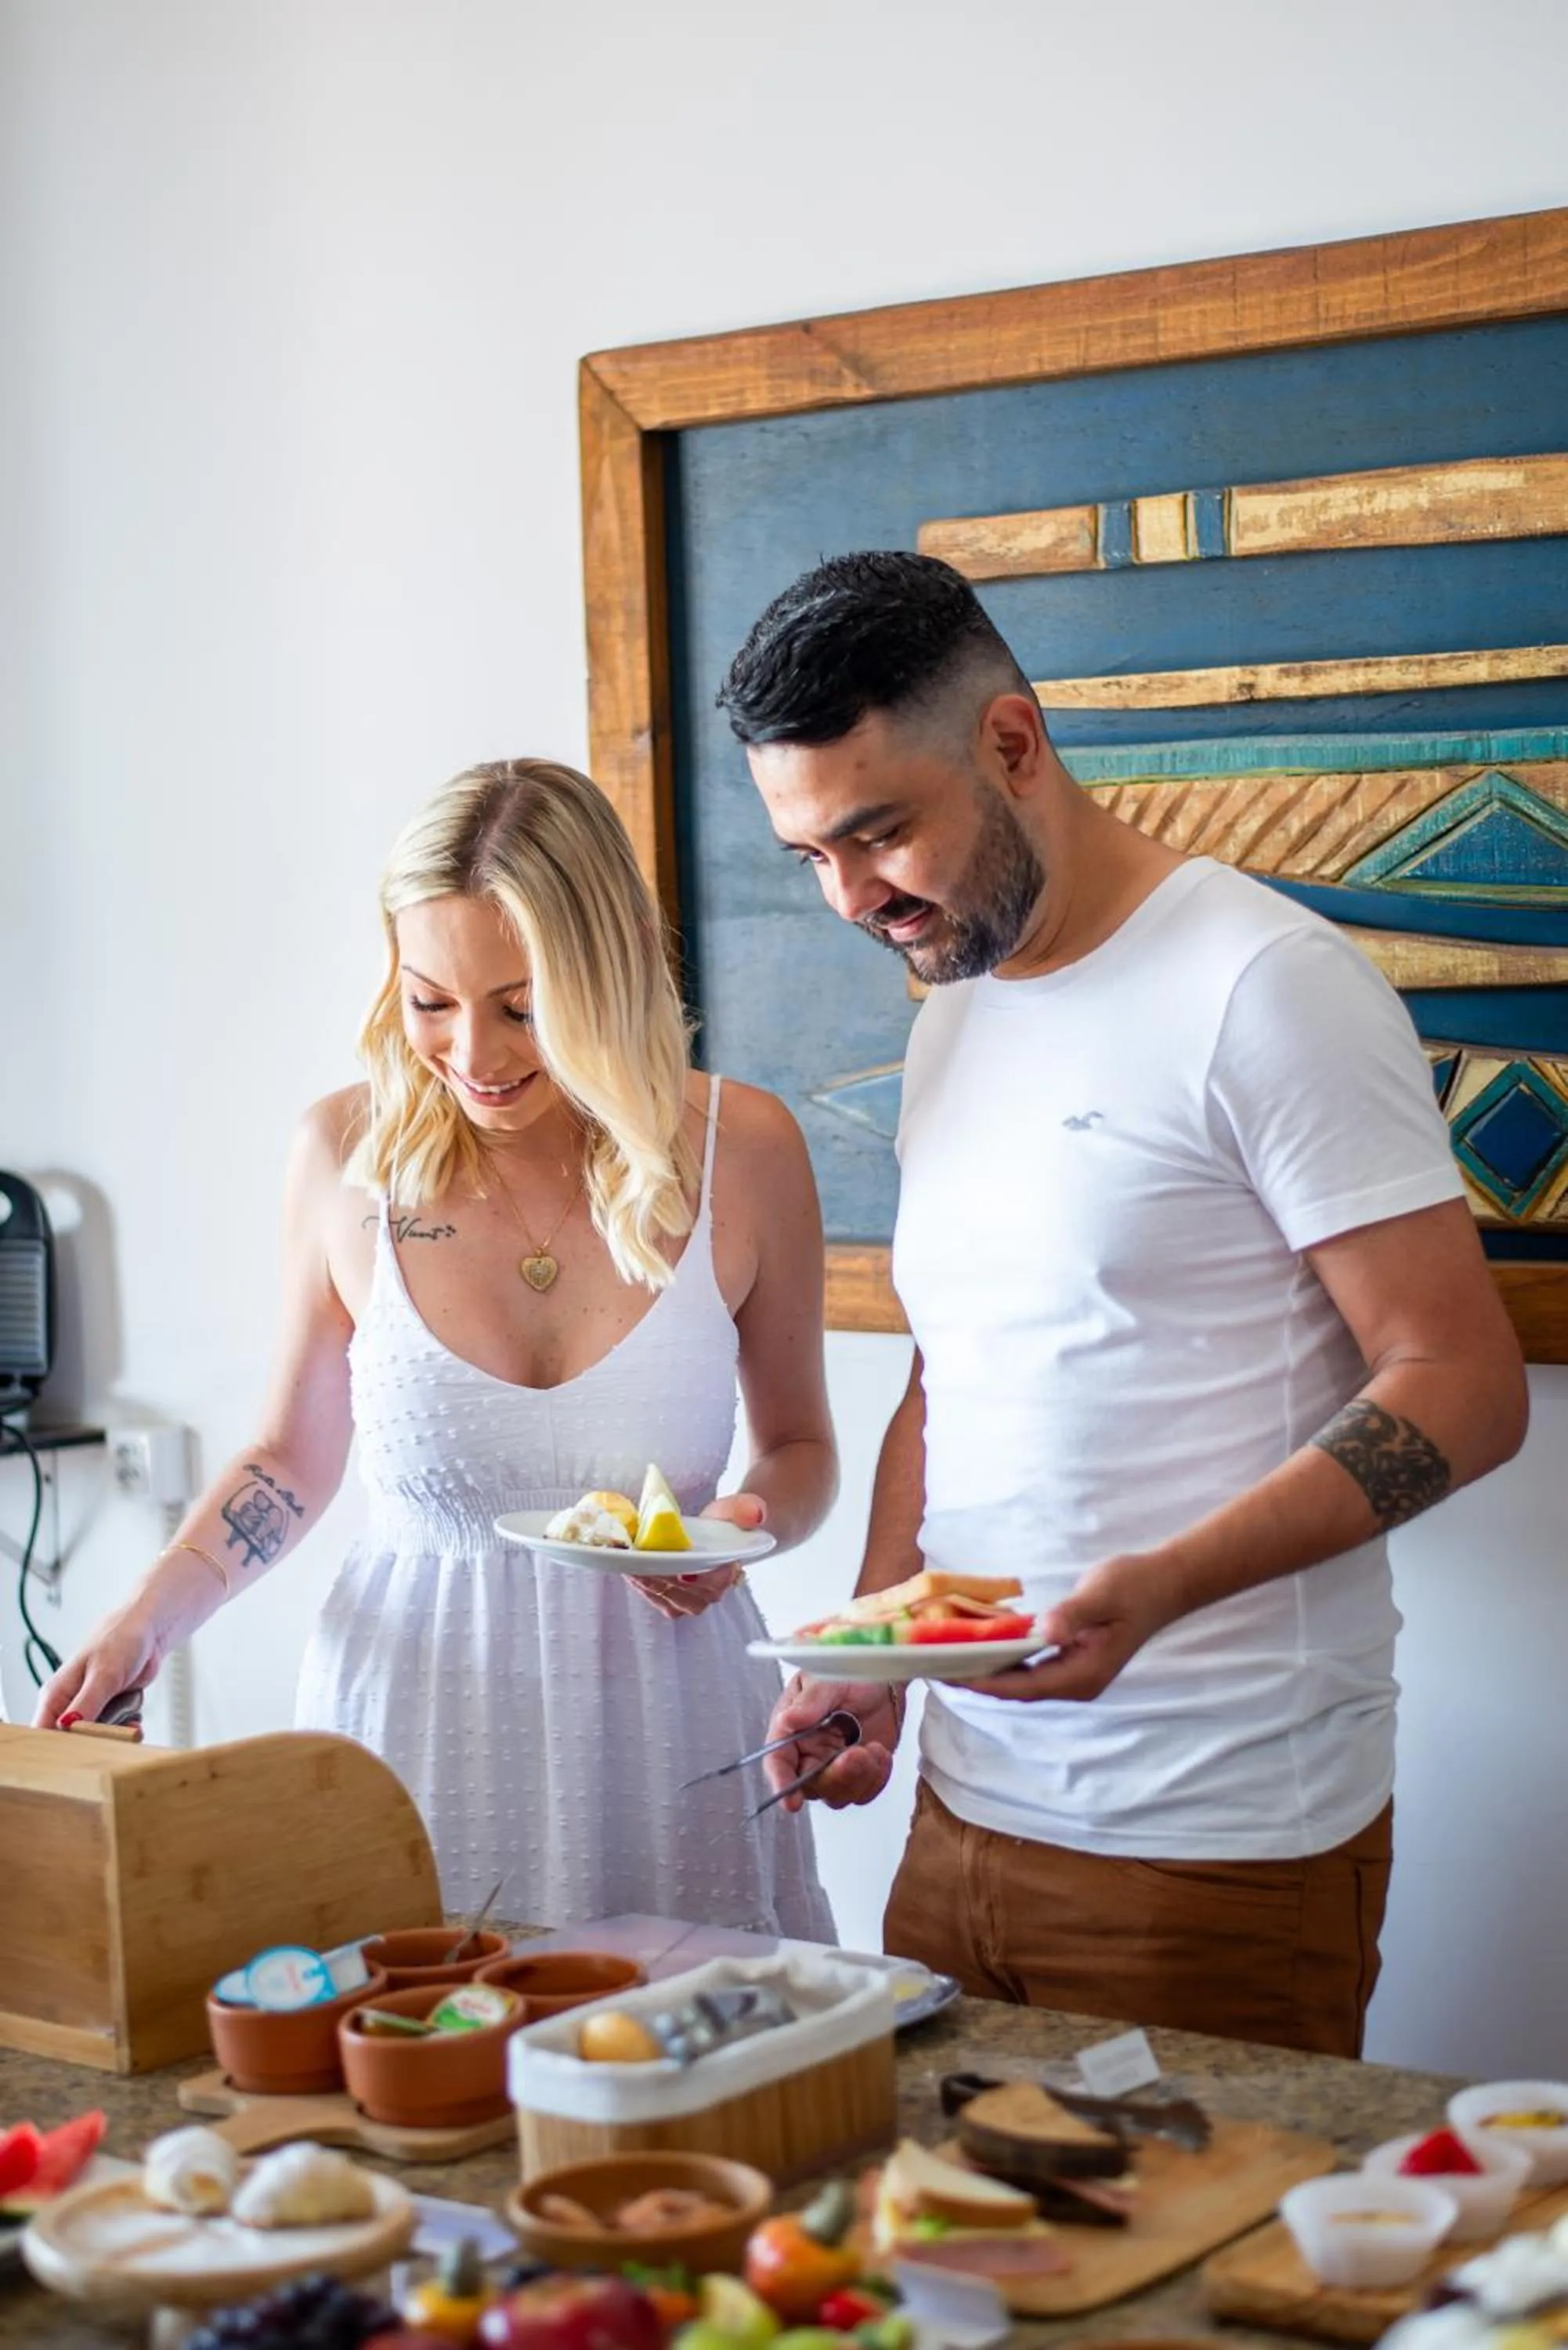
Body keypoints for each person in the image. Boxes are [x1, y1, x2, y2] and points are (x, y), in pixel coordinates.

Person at [716, 551, 1528, 2055]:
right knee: (940, 2274)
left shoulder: (1266, 985)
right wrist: (881, 1655)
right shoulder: (953, 999)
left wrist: (1159, 1588)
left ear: (1013, 746)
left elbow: (1460, 1389)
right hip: (958, 1822)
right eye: (808, 855)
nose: (850, 898)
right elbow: (949, 1378)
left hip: (1217, 1841)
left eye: (879, 833)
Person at [38, 758, 839, 1940]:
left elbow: (801, 1447)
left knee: (689, 2081)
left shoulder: (742, 1148)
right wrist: (140, 1623)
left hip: (673, 1729)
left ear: (608, 962)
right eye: (430, 1001)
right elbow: (291, 1458)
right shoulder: (345, 1155)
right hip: (413, 1717)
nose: (474, 1053)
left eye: (522, 1005)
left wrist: (744, 1529)